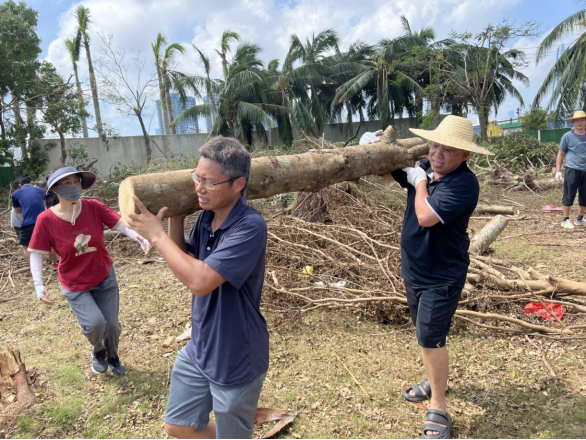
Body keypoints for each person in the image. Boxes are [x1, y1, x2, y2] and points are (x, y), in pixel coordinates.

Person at [126, 136, 269, 440]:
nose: (199, 188)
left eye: (209, 182)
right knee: (177, 425)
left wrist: (157, 236)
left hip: (235, 354)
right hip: (200, 347)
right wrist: (176, 218)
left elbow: (200, 281)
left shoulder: (249, 227)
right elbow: (186, 260)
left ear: (238, 184)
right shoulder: (207, 217)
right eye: (197, 178)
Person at [364, 116, 491, 439]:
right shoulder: (426, 169)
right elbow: (384, 171)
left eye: (448, 150)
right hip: (415, 269)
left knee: (430, 339)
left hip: (442, 275)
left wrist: (419, 181)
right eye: (434, 145)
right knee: (426, 334)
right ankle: (436, 381)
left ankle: (439, 406)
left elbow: (424, 216)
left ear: (465, 154)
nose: (437, 154)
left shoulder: (463, 184)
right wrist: (372, 148)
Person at [27, 166, 150, 376]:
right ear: (55, 189)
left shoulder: (93, 207)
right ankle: (98, 350)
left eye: (76, 181)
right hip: (75, 284)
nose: (73, 186)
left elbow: (120, 225)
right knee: (95, 324)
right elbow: (37, 254)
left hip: (103, 276)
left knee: (112, 326)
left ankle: (113, 356)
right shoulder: (46, 220)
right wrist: (39, 286)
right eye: (67, 183)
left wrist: (140, 238)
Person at [555, 110, 586, 229]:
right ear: (573, 122)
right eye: (577, 120)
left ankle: (580, 218)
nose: (579, 122)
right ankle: (565, 219)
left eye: (582, 120)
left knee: (584, 195)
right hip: (572, 169)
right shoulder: (567, 136)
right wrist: (558, 171)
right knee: (569, 194)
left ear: (585, 121)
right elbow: (560, 154)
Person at [11, 175, 46, 273]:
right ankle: (55, 262)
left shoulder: (15, 194)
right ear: (31, 182)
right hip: (44, 221)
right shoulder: (41, 191)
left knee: (26, 247)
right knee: (50, 242)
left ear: (19, 185)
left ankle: (33, 270)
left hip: (28, 223)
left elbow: (18, 211)